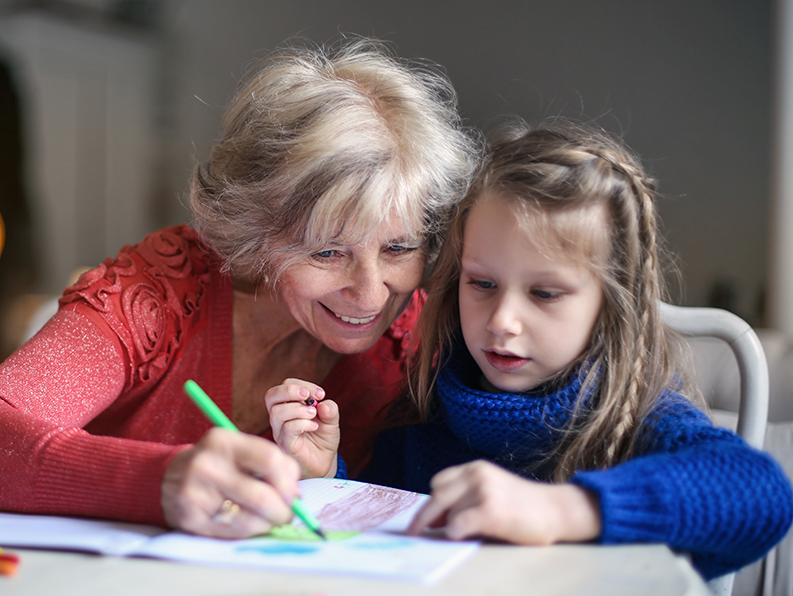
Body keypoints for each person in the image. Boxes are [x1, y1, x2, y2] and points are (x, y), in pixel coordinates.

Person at [0, 37, 482, 539]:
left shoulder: (413, 337)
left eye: (399, 248)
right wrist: (158, 482)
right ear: (259, 232)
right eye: (328, 251)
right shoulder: (162, 290)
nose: (370, 294)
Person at [266, 119, 793, 579]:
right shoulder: (425, 412)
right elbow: (382, 547)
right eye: (482, 284)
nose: (502, 321)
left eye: (544, 293)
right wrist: (328, 479)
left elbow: (761, 493)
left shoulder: (633, 420)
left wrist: (562, 512)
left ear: (611, 304)